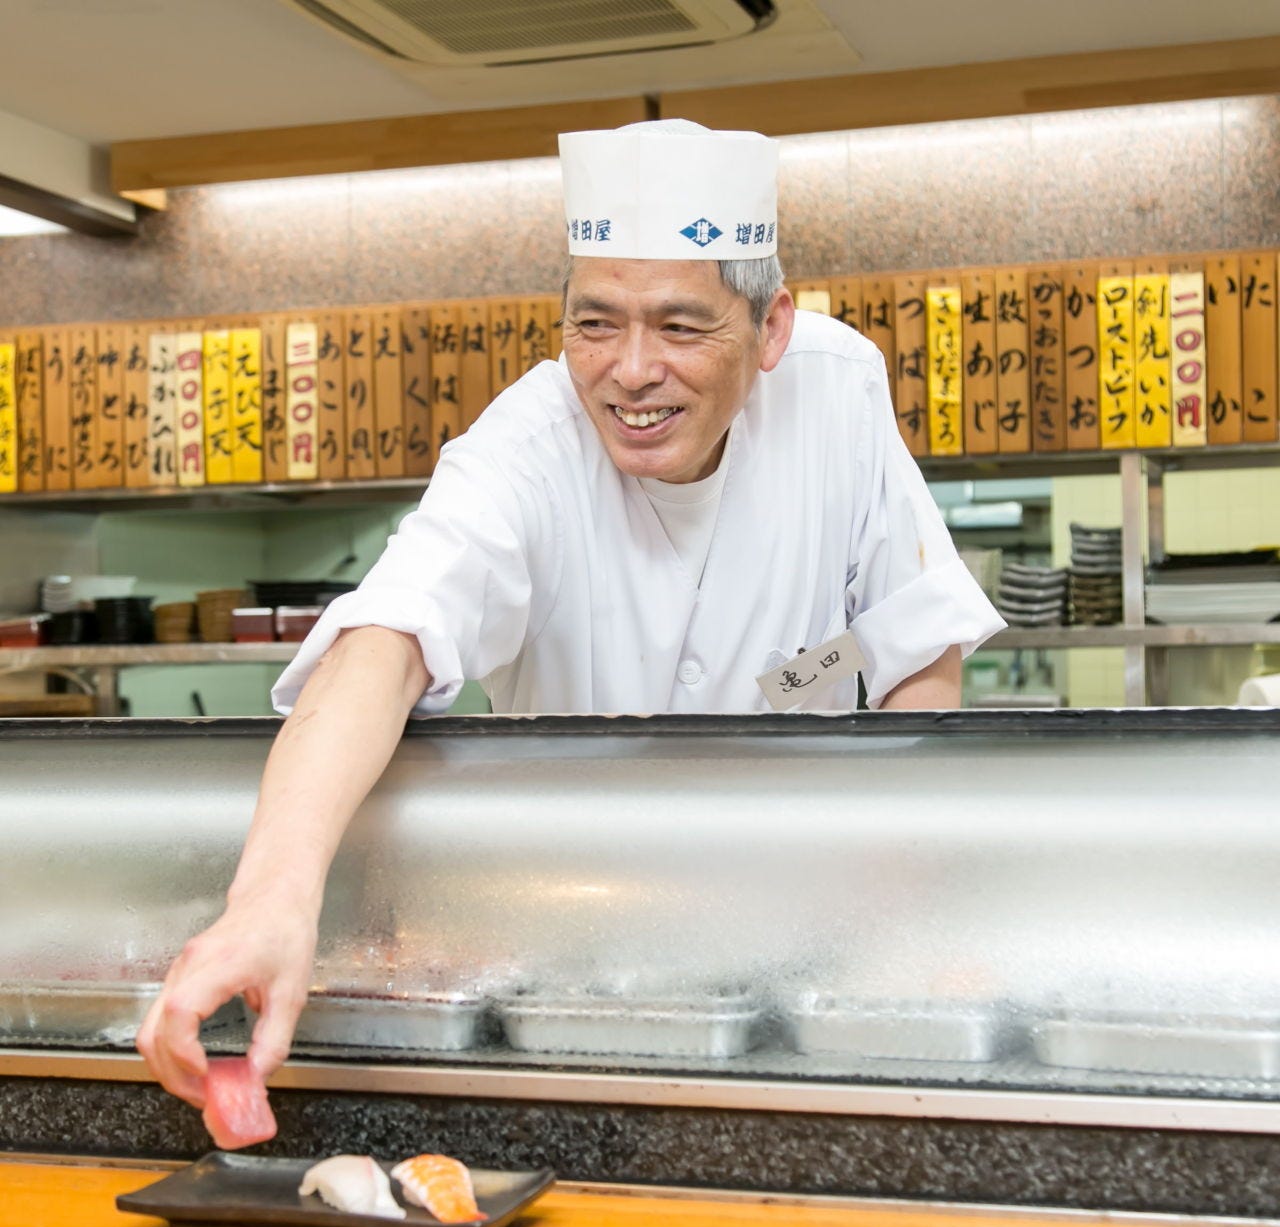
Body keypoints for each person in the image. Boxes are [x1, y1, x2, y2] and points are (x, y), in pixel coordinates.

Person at [137, 120, 1004, 1109]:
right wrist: (269, 900)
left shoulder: (835, 387)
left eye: (680, 327)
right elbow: (385, 640)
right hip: (568, 945)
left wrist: (894, 933)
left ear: (769, 329)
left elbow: (912, 643)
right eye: (594, 323)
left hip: (801, 932)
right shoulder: (528, 445)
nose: (630, 370)